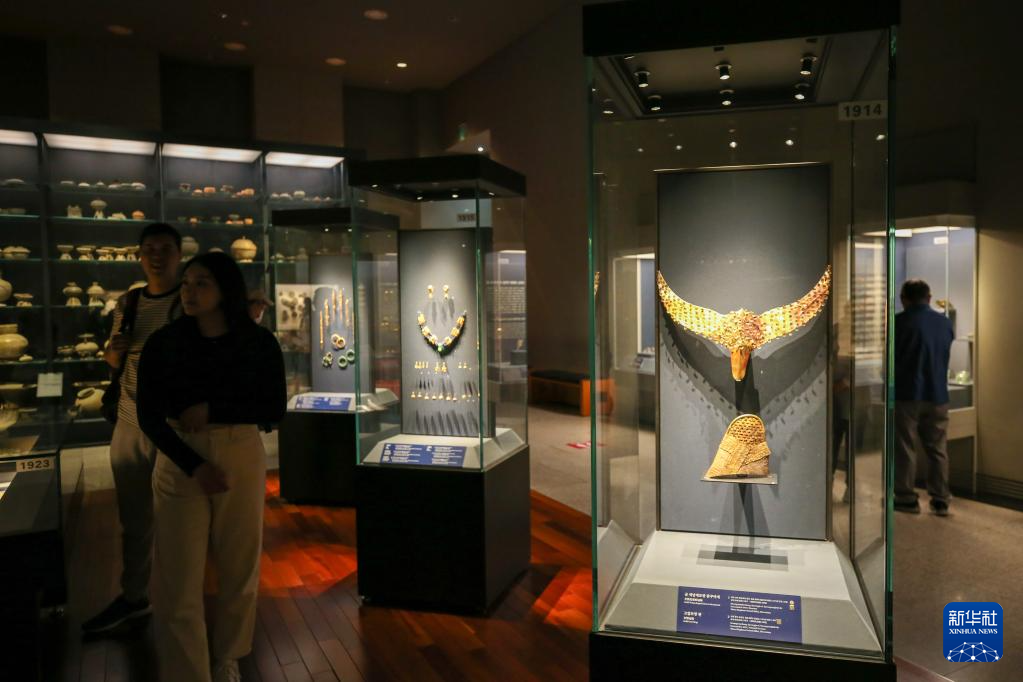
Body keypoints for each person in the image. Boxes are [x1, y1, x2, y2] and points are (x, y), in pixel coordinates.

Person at [136, 252, 286, 682]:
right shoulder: (165, 343)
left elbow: (273, 408)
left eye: (202, 283)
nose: (189, 291)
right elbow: (149, 416)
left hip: (239, 448)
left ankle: (228, 657)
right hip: (180, 453)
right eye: (186, 283)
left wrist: (214, 409)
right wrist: (193, 464)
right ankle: (189, 672)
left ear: (225, 290)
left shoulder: (257, 343)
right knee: (177, 577)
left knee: (240, 565)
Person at [83, 222, 182, 634]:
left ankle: (181, 600)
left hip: (173, 425)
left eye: (165, 249)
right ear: (140, 256)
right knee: (135, 517)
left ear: (179, 254)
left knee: (180, 517)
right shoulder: (130, 301)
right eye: (149, 249)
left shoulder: (189, 299)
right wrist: (111, 355)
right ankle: (135, 596)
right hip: (128, 421)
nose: (156, 256)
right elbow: (114, 362)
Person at [894, 279, 954, 516]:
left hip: (907, 394)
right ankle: (940, 499)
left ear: (904, 299)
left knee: (905, 447)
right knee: (938, 448)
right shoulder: (945, 323)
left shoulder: (899, 323)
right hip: (938, 394)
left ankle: (906, 498)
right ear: (929, 298)